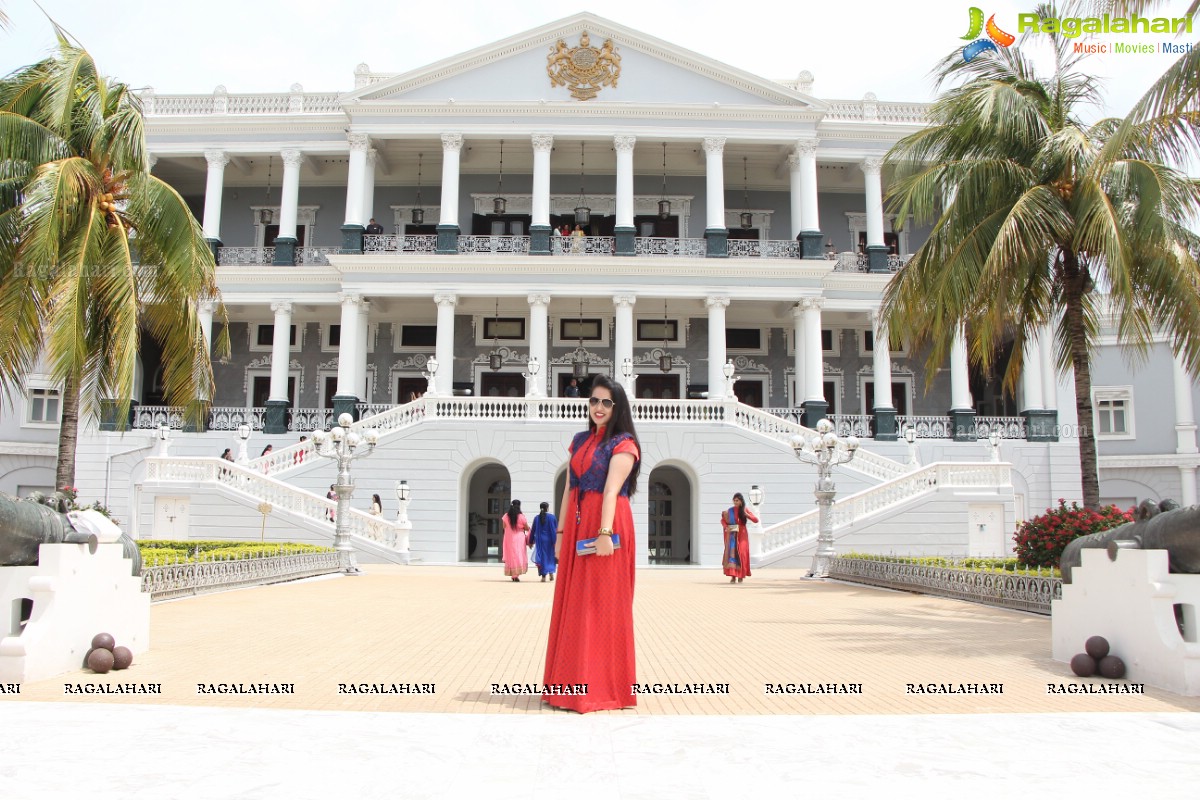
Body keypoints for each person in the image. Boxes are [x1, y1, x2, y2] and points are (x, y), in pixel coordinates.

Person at [543, 374, 640, 712]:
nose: (598, 407)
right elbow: (571, 490)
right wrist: (559, 534)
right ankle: (568, 686)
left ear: (617, 408)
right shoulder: (580, 440)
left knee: (600, 605)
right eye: (594, 401)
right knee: (574, 603)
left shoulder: (624, 444)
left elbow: (612, 491)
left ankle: (602, 689)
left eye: (606, 402)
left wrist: (603, 534)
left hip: (607, 526)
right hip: (579, 524)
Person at [722, 492, 758, 583]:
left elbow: (756, 520)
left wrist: (746, 515)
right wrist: (726, 527)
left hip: (742, 534)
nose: (735, 502)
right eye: (734, 500)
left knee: (742, 553)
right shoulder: (730, 510)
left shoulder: (745, 510)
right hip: (733, 535)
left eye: (737, 500)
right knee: (732, 553)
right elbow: (723, 520)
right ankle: (733, 576)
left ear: (741, 501)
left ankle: (741, 576)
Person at [529, 501, 558, 582]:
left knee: (542, 558)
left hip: (540, 541)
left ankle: (543, 576)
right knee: (550, 556)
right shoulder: (552, 517)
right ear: (547, 508)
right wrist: (556, 541)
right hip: (550, 540)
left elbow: (533, 531)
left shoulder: (536, 518)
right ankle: (551, 572)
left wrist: (531, 541)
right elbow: (555, 529)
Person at [501, 499, 530, 582]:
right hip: (519, 539)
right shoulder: (521, 516)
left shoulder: (506, 516)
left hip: (509, 538)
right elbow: (526, 528)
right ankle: (516, 574)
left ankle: (513, 574)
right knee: (518, 555)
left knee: (511, 555)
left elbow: (504, 526)